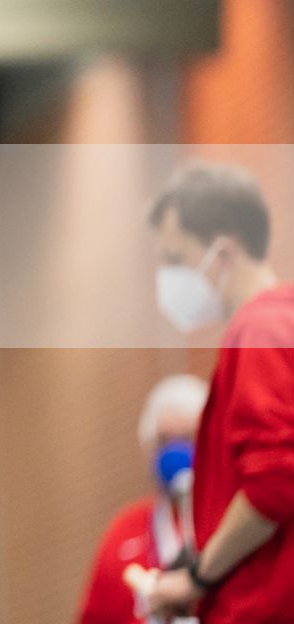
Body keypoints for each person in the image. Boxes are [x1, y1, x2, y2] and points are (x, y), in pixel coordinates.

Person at [143, 162, 294, 620]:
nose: (166, 277)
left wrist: (198, 576)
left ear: (223, 253)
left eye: (176, 259)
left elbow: (274, 483)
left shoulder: (259, 330)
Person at [75, 374, 207, 624]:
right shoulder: (122, 533)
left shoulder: (233, 523)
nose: (175, 452)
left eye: (188, 439)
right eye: (164, 441)